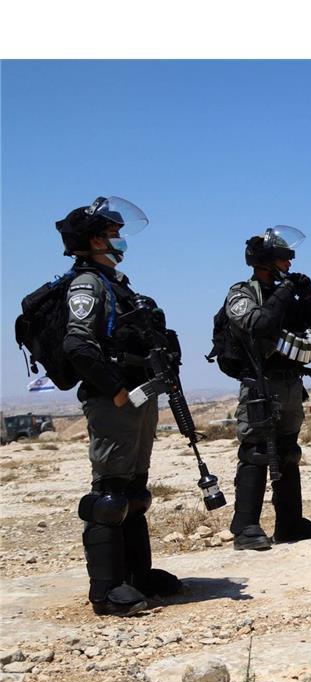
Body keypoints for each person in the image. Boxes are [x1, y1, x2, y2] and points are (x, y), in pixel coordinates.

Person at [58, 196, 181, 615]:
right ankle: (107, 591)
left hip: (137, 398)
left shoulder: (116, 283)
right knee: (110, 494)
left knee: (134, 489)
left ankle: (137, 577)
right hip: (114, 401)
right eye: (114, 234)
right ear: (95, 240)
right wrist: (115, 390)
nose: (120, 240)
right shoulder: (86, 284)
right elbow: (77, 344)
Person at [224, 226, 311, 550]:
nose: (289, 263)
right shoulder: (242, 293)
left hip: (290, 385)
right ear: (266, 262)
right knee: (256, 453)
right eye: (283, 258)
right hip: (259, 384)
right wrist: (285, 293)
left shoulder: (290, 295)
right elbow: (260, 326)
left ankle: (289, 523)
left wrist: (308, 295)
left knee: (288, 454)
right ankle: (245, 528)